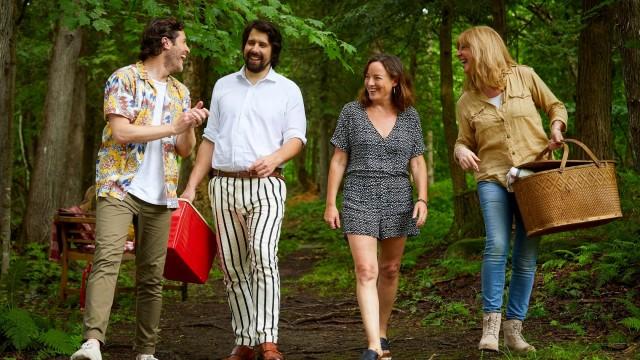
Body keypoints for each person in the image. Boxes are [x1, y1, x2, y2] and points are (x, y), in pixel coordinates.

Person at [71, 18, 209, 360]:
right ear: (166, 43)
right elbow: (121, 132)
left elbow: (184, 149)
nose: (187, 49)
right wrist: (172, 126)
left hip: (161, 193)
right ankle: (92, 343)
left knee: (152, 276)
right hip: (119, 186)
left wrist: (188, 126)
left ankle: (146, 351)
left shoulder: (180, 92)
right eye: (184, 42)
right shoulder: (125, 78)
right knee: (108, 259)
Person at [180, 19, 306, 360]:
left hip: (267, 186)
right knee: (234, 268)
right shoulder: (224, 86)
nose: (255, 49)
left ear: (273, 50)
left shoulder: (288, 90)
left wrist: (275, 157)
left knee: (263, 257)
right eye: (251, 42)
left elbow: (296, 138)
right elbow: (209, 141)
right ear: (244, 45)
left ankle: (267, 340)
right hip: (223, 186)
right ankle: (245, 339)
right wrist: (192, 186)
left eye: (263, 44)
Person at [454, 26, 567, 353]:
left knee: (526, 254)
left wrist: (556, 127)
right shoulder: (466, 100)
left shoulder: (525, 77)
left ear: (483, 47)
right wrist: (460, 150)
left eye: (464, 48)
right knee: (497, 244)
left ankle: (514, 332)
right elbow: (464, 140)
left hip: (533, 175)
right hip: (492, 177)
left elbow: (556, 106)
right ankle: (490, 328)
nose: (459, 54)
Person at [324, 54, 428, 360]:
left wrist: (422, 198)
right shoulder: (351, 113)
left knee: (390, 269)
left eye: (377, 78)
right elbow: (339, 159)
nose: (370, 83)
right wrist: (331, 203)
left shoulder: (410, 117)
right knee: (366, 270)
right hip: (359, 194)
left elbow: (418, 161)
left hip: (398, 196)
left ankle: (382, 333)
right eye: (367, 77)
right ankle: (372, 345)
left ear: (394, 81)